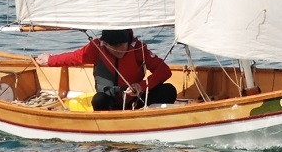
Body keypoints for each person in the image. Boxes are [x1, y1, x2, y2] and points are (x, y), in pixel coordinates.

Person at [33, 29, 176, 111]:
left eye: (121, 45)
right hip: (109, 103)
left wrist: (141, 86)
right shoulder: (96, 48)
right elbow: (75, 57)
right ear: (105, 44)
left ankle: (147, 120)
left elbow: (164, 71)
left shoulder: (138, 48)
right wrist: (50, 60)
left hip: (136, 102)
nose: (118, 50)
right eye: (113, 47)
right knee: (98, 99)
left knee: (168, 90)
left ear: (128, 41)